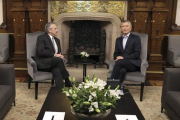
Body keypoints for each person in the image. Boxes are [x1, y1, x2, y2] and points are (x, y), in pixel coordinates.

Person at [35, 22, 72, 88]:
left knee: (57, 71)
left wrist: (61, 55)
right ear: (49, 30)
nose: (57, 30)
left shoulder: (57, 40)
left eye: (57, 28)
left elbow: (58, 53)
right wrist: (55, 55)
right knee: (58, 60)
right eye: (55, 28)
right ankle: (67, 80)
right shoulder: (41, 38)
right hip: (43, 62)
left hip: (54, 63)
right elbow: (40, 51)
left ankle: (60, 91)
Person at [111, 20, 141, 93]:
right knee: (122, 70)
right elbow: (115, 53)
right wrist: (117, 57)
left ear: (130, 28)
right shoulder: (118, 40)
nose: (124, 28)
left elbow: (137, 53)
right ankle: (118, 88)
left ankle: (110, 85)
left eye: (126, 26)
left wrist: (123, 57)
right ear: (121, 28)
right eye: (123, 26)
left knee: (119, 62)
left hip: (133, 63)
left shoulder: (136, 38)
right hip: (122, 63)